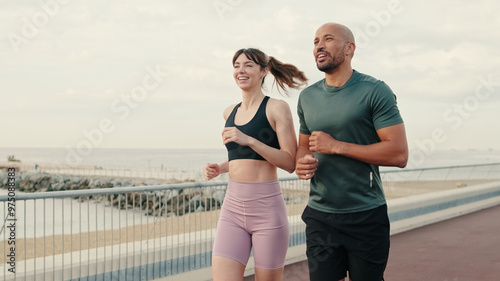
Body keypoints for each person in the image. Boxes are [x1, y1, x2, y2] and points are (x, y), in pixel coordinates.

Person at [295, 23, 408, 281]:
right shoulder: (307, 97)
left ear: (350, 48)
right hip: (320, 216)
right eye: (315, 42)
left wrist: (336, 146)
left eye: (327, 39)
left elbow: (399, 154)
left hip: (365, 215)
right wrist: (301, 162)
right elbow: (303, 146)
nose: (319, 46)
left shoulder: (375, 90)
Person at [203, 48, 307, 281]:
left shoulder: (277, 108)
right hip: (232, 210)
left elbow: (289, 162)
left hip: (267, 211)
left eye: (248, 65)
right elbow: (241, 158)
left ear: (264, 71)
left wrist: (250, 140)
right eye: (237, 65)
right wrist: (220, 168)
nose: (241, 70)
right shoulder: (229, 112)